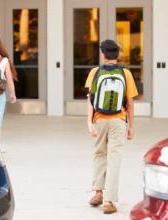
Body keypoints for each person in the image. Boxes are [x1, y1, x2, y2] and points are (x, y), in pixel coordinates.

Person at [85, 39, 138, 214]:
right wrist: (131, 126)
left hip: (100, 119)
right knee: (114, 158)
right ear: (117, 55)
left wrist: (89, 122)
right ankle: (109, 201)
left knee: (99, 153)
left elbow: (91, 100)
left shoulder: (95, 72)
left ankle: (98, 193)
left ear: (103, 54)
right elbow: (130, 102)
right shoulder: (126, 74)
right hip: (118, 121)